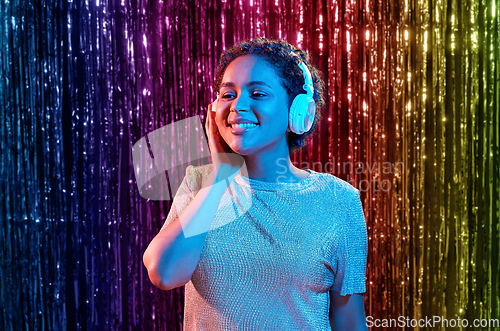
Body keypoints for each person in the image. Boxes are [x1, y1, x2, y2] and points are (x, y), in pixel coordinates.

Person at [143, 37, 368, 330]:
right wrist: (221, 178)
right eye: (228, 94)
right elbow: (164, 273)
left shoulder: (340, 200)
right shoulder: (201, 184)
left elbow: (349, 321)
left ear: (299, 112)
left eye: (258, 94)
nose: (238, 106)